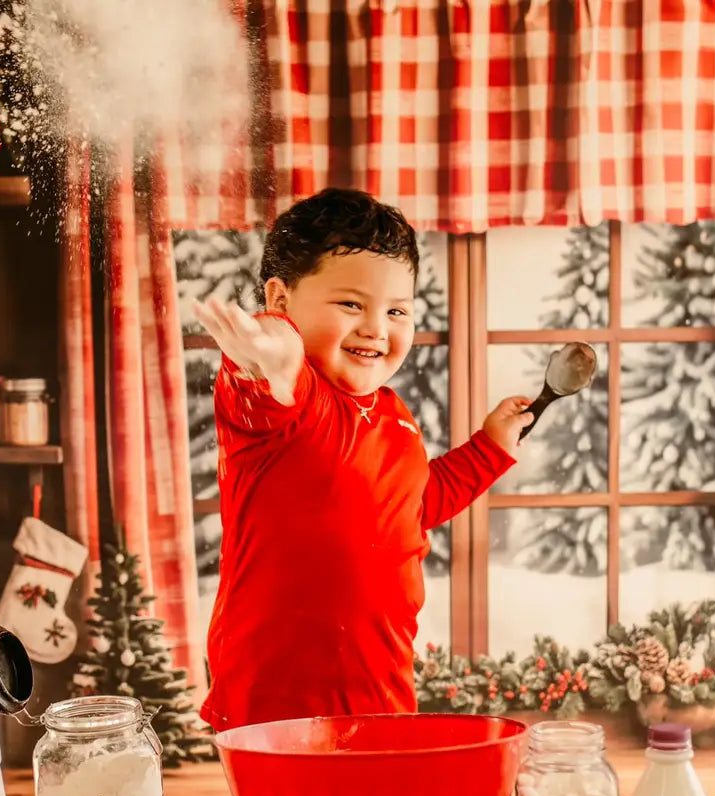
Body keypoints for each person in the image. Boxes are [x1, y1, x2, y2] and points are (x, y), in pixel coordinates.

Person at [193, 187, 533, 731]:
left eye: (397, 310)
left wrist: (488, 449)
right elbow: (273, 378)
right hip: (277, 706)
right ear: (280, 301)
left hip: (381, 690)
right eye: (351, 304)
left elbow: (412, 506)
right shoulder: (286, 406)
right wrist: (273, 353)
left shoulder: (395, 417)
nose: (377, 328)